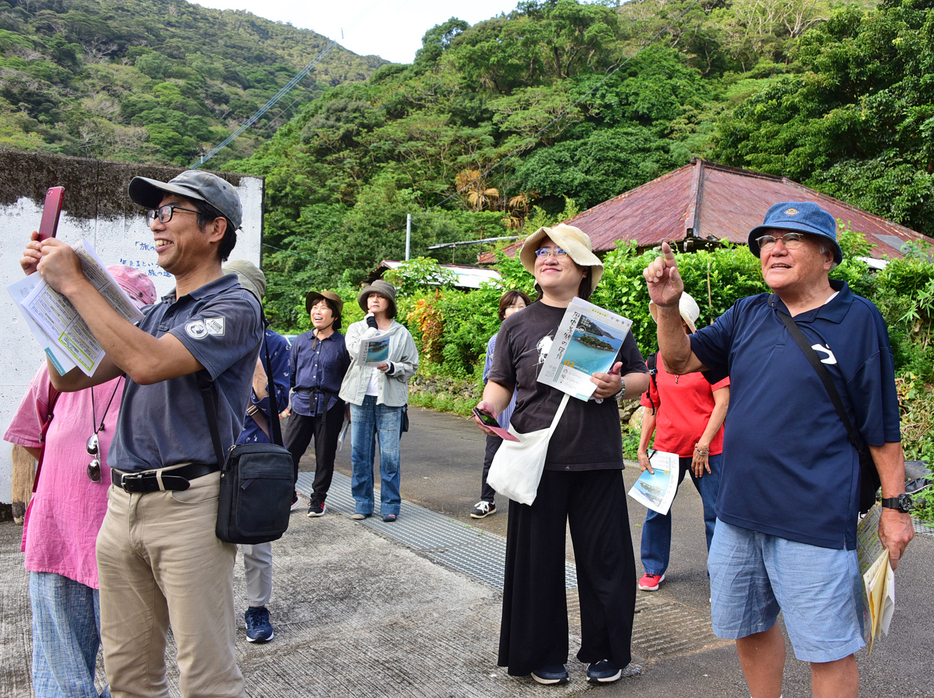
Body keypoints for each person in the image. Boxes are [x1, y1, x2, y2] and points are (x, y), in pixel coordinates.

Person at [643, 201, 914, 698]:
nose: (775, 248)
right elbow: (679, 361)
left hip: (815, 516)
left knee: (827, 647)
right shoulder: (748, 311)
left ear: (827, 256)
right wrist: (665, 305)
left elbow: (881, 425)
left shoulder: (857, 320)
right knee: (748, 625)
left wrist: (895, 508)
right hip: (739, 510)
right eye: (767, 240)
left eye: (792, 238)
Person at [21, 169, 263, 697]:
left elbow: (149, 363)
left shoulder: (236, 306)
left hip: (189, 506)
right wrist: (52, 296)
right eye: (153, 214)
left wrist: (75, 282)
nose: (156, 225)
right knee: (129, 676)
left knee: (205, 679)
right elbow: (71, 375)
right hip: (122, 502)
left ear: (215, 228)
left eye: (169, 212)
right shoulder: (154, 312)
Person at [474, 224, 649, 686]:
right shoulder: (517, 324)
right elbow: (502, 383)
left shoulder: (604, 323)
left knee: (606, 561)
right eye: (543, 252)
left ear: (584, 269)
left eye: (562, 253)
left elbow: (641, 378)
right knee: (537, 563)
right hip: (537, 460)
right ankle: (540, 653)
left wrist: (618, 386)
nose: (549, 258)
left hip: (598, 458)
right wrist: (488, 407)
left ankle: (607, 652)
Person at [4, 266, 155, 698]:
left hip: (124, 543)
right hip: (57, 534)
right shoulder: (59, 371)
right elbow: (33, 437)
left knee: (133, 676)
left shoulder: (150, 372)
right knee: (59, 677)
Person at [636, 291, 729, 592]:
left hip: (710, 449)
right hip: (666, 448)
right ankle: (653, 568)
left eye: (671, 319)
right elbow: (652, 406)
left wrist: (703, 444)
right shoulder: (655, 361)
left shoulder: (710, 358)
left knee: (716, 515)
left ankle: (720, 579)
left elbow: (723, 403)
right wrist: (642, 446)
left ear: (685, 325)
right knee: (655, 512)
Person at [222, 260, 291, 645]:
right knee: (207, 545)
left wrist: (256, 369)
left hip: (254, 451)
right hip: (212, 453)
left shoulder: (275, 344)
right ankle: (212, 609)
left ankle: (257, 607)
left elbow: (278, 404)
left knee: (256, 543)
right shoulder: (205, 334)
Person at [339, 279, 419, 522]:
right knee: (360, 454)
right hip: (360, 399)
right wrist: (371, 327)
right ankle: (362, 503)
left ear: (389, 303)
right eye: (370, 296)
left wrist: (391, 366)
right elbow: (355, 352)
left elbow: (411, 365)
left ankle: (390, 504)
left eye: (380, 296)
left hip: (390, 401)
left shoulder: (401, 332)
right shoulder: (356, 328)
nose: (374, 299)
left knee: (390, 456)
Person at [283, 290, 350, 518]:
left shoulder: (342, 344)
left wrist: (348, 407)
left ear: (334, 316)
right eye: (314, 306)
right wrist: (285, 403)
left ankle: (318, 500)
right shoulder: (301, 340)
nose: (316, 311)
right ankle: (289, 495)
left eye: (323, 307)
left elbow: (348, 378)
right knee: (288, 453)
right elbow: (290, 373)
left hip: (330, 406)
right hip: (300, 403)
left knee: (324, 456)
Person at [471, 289, 531, 519]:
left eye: (521, 306)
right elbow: (490, 376)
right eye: (511, 306)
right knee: (492, 456)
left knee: (526, 457)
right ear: (503, 313)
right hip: (502, 409)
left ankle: (524, 502)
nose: (516, 311)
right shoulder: (495, 341)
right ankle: (487, 500)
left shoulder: (537, 338)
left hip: (527, 408)